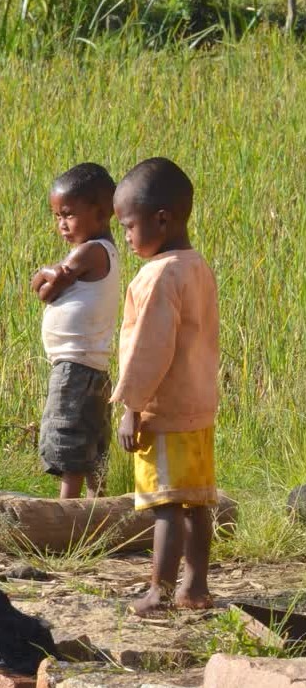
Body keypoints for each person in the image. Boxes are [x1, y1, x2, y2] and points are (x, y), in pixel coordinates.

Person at [111, 158, 220, 616]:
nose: (126, 236)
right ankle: (195, 588)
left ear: (161, 219)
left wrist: (132, 407)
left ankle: (160, 590)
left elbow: (149, 349)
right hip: (199, 406)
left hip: (165, 410)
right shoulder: (197, 266)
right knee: (196, 502)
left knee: (166, 504)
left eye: (128, 226)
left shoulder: (158, 276)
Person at [31, 163, 121, 498]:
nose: (61, 224)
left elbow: (46, 289)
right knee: (92, 437)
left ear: (100, 213)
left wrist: (44, 272)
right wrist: (50, 275)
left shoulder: (90, 251)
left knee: (69, 437)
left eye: (68, 214)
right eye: (57, 216)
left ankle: (66, 514)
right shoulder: (103, 250)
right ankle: (99, 510)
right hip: (91, 364)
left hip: (74, 366)